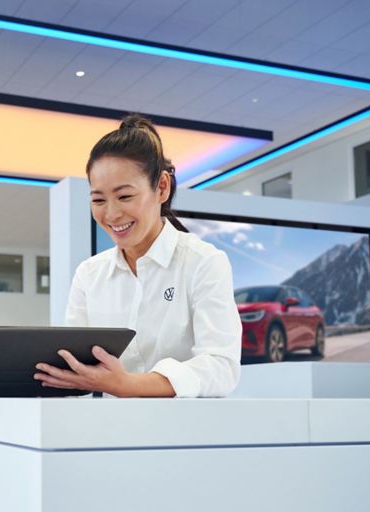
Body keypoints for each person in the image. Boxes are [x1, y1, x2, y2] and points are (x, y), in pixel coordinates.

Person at [35, 115, 241, 397]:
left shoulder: (202, 262)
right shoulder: (89, 274)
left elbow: (221, 368)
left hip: (186, 434)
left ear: (162, 188)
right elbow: (74, 369)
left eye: (125, 197)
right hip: (106, 435)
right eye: (98, 200)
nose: (111, 214)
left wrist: (127, 385)